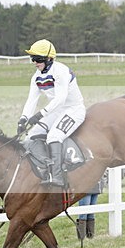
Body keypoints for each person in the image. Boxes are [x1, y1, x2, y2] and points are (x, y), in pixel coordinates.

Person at [17, 39, 86, 187]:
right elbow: (31, 100)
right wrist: (23, 119)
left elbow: (60, 99)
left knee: (54, 136)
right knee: (31, 136)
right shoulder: (36, 76)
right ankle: (45, 168)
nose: (35, 62)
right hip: (56, 111)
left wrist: (40, 114)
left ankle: (58, 176)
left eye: (38, 59)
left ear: (49, 59)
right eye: (32, 59)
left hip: (73, 109)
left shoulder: (60, 71)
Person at [77, 171, 107, 240]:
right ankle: (82, 237)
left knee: (91, 213)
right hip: (85, 185)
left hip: (96, 185)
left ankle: (90, 236)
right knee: (83, 213)